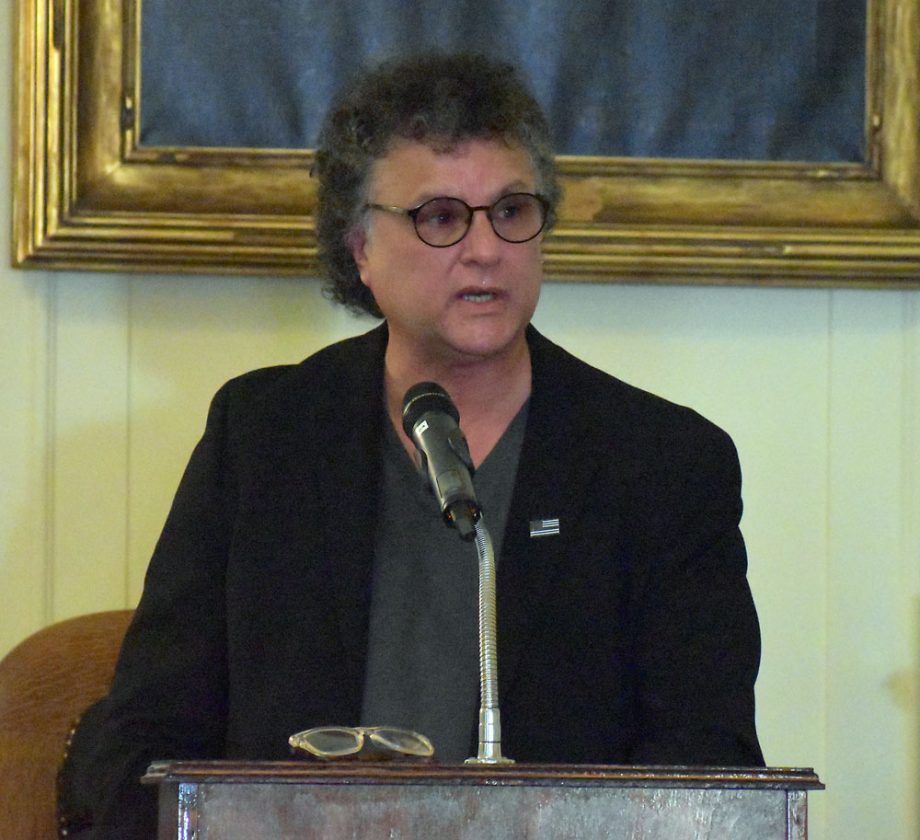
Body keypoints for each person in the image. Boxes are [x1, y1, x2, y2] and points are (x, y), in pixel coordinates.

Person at [66, 52, 764, 839]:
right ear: (360, 246)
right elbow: (146, 741)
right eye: (440, 216)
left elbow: (709, 769)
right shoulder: (264, 438)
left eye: (511, 211)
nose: (486, 248)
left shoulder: (663, 465)